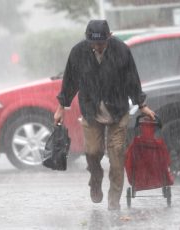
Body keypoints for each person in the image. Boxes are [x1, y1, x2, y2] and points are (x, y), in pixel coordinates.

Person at [54, 20, 155, 210]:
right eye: (94, 43)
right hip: (91, 112)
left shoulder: (121, 51)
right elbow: (69, 81)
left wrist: (142, 105)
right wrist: (61, 107)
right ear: (88, 40)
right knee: (92, 152)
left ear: (109, 37)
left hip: (117, 110)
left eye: (102, 43)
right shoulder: (78, 53)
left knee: (116, 154)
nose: (98, 47)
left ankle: (114, 199)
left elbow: (132, 79)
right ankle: (95, 179)